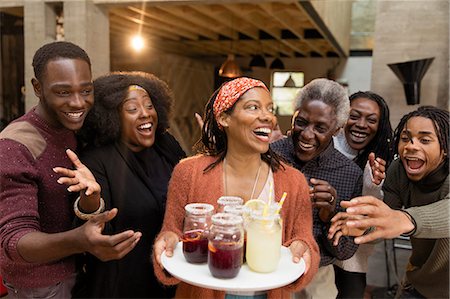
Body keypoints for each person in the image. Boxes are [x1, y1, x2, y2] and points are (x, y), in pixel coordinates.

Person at [153, 77, 320, 299]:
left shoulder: (293, 182)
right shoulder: (189, 173)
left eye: (270, 109)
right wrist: (168, 241)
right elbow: (172, 231)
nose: (268, 116)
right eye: (253, 107)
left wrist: (303, 247)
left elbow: (303, 240)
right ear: (224, 118)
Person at [0, 41, 141, 298]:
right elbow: (13, 241)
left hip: (79, 275)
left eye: (86, 90)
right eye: (63, 92)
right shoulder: (15, 145)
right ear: (37, 88)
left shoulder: (76, 127)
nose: (78, 103)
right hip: (40, 286)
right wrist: (79, 240)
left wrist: (91, 200)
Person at [69, 72, 184, 298]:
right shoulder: (96, 159)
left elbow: (189, 188)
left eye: (149, 106)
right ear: (112, 117)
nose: (145, 114)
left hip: (170, 276)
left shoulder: (166, 144)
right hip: (123, 283)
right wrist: (91, 201)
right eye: (132, 109)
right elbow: (98, 229)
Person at [330, 106, 449, 298]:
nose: (411, 146)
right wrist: (363, 226)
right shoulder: (399, 171)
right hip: (420, 287)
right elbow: (384, 222)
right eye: (405, 138)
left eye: (425, 140)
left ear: (445, 148)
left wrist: (405, 218)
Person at [271, 78, 362, 299]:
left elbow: (345, 251)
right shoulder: (270, 154)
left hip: (316, 277)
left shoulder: (349, 174)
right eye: (301, 122)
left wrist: (330, 215)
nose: (307, 134)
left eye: (320, 127)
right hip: (267, 266)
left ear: (337, 130)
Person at [332, 91, 393, 298]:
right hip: (316, 248)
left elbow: (373, 230)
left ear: (380, 126)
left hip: (352, 257)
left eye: (371, 120)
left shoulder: (380, 162)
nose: (361, 124)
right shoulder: (321, 144)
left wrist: (373, 186)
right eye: (354, 115)